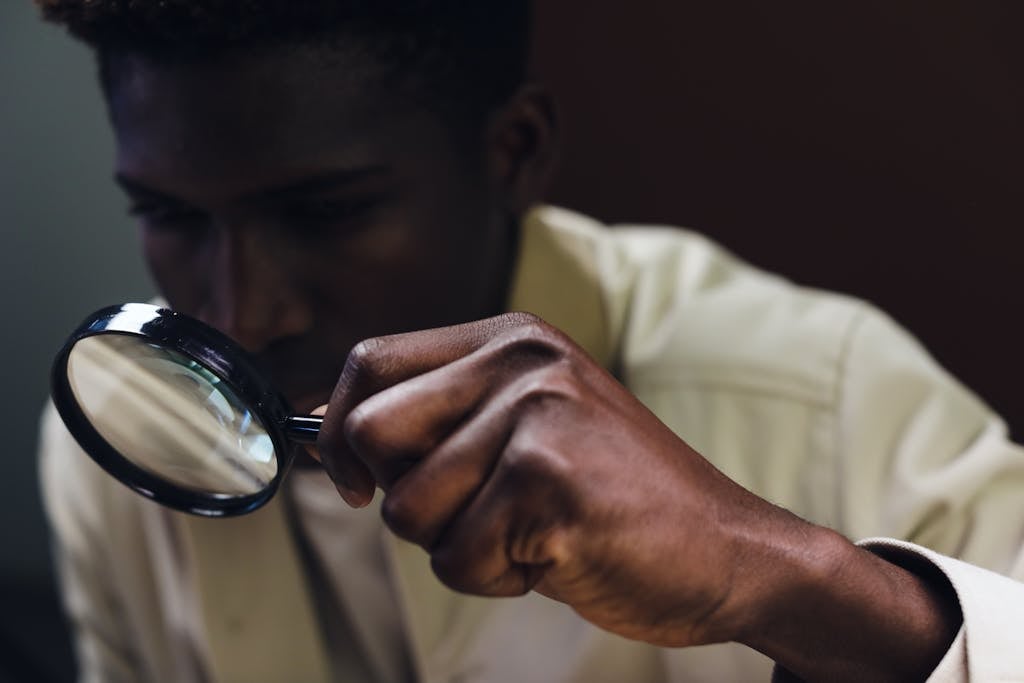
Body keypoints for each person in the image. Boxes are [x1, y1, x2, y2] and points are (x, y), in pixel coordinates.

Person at [34, 1, 1024, 681]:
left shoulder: (824, 392)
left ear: (513, 152)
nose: (240, 313)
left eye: (325, 212)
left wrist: (768, 576)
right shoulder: (126, 434)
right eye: (169, 214)